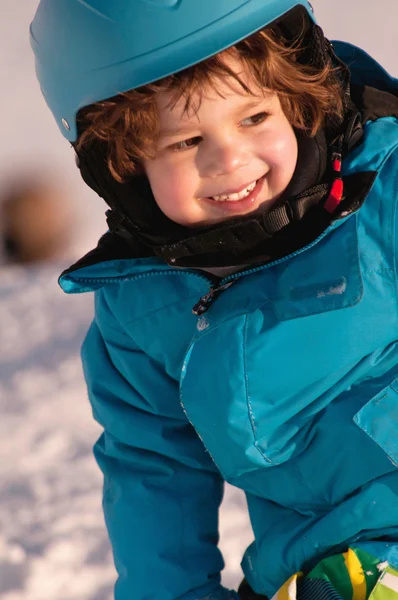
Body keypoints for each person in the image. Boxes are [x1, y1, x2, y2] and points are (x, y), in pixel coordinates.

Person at [30, 1, 398, 599]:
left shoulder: (385, 198)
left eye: (253, 117)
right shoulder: (145, 307)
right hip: (328, 570)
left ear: (300, 99)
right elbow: (154, 468)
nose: (229, 159)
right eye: (186, 141)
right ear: (123, 168)